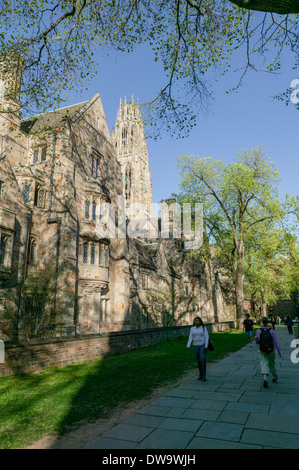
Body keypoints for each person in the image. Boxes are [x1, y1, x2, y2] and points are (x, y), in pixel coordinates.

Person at [255, 317, 282, 388]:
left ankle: (265, 379)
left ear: (262, 323)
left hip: (262, 350)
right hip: (271, 350)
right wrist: (279, 350)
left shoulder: (258, 331)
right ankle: (274, 376)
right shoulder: (271, 330)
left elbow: (257, 340)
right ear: (268, 323)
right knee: (271, 363)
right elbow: (276, 341)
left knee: (263, 363)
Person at [187, 317, 209, 381]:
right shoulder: (192, 329)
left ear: (200, 321)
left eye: (198, 320)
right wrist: (188, 345)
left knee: (202, 360)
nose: (197, 322)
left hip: (202, 345)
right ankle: (200, 374)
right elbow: (190, 337)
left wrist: (206, 346)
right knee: (199, 361)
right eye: (195, 321)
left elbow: (207, 337)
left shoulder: (203, 328)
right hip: (195, 346)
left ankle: (203, 376)